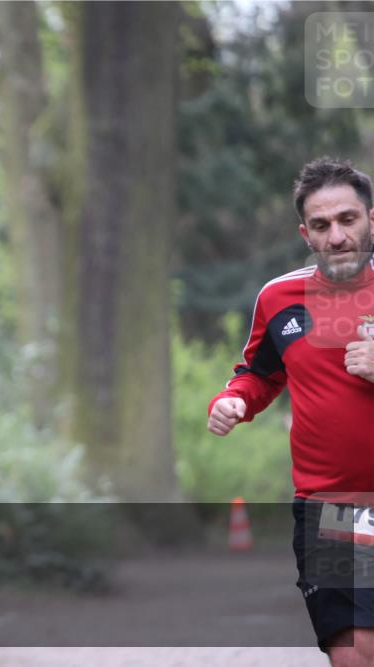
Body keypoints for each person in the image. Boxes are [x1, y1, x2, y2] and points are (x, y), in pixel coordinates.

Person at [207, 157, 374, 666]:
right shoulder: (280, 298)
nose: (337, 236)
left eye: (348, 220)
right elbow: (257, 373)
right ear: (305, 233)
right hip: (332, 508)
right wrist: (232, 400)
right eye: (321, 225)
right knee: (354, 651)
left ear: (372, 219)